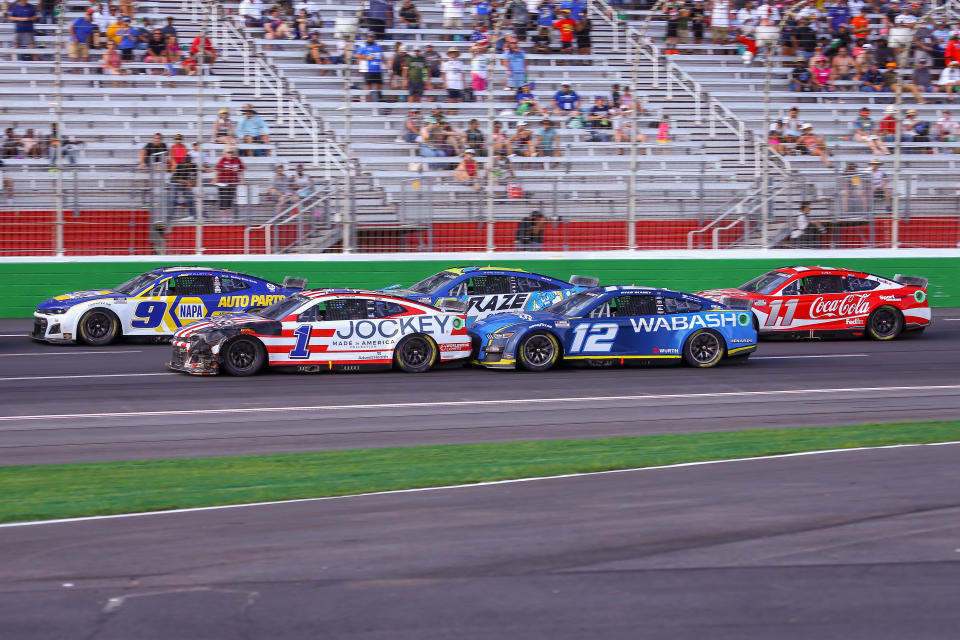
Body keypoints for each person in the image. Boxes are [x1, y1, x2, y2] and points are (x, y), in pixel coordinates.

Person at [215, 148, 244, 220]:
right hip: (223, 183)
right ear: (225, 153)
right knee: (224, 200)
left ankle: (228, 217)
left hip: (233, 183)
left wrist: (242, 180)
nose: (230, 154)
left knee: (230, 200)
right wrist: (215, 180)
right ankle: (223, 217)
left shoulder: (237, 159)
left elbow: (241, 170)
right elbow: (217, 170)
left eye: (231, 152)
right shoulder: (222, 159)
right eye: (228, 152)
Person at [356, 33, 385, 100]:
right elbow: (358, 55)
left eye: (373, 37)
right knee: (368, 85)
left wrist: (385, 63)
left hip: (377, 69)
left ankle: (379, 100)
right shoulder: (363, 45)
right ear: (366, 37)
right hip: (368, 69)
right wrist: (367, 57)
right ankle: (368, 101)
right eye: (370, 37)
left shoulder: (378, 45)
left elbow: (382, 55)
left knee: (379, 85)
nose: (371, 38)